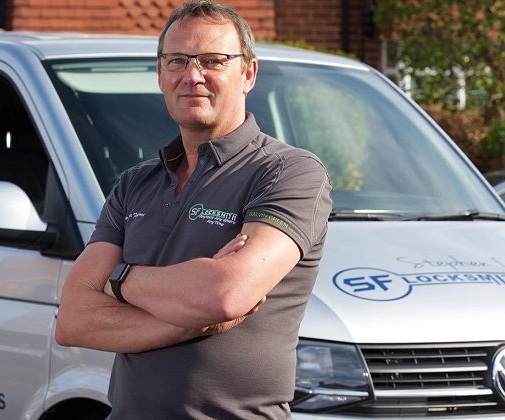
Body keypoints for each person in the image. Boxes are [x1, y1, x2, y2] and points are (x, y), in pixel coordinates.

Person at [55, 0, 332, 418]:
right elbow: (73, 319)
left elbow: (224, 294)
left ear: (248, 74)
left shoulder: (287, 172)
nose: (192, 76)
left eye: (213, 60)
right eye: (177, 60)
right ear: (160, 74)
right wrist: (189, 319)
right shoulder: (135, 183)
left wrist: (117, 279)